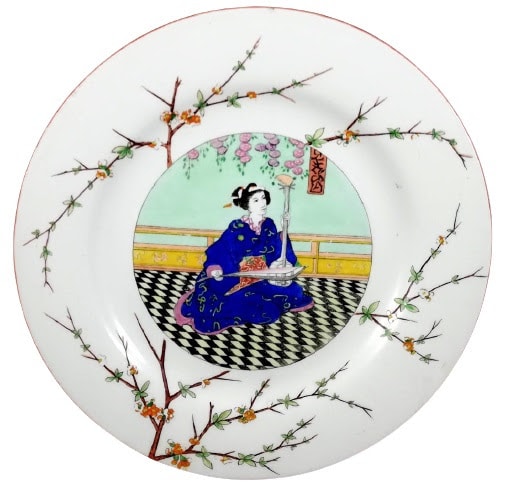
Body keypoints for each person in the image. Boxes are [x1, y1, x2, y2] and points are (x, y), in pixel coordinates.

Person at [174, 183, 314, 334]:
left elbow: (275, 249)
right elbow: (221, 249)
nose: (262, 203)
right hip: (237, 279)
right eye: (256, 200)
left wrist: (282, 236)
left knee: (295, 292)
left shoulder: (269, 224)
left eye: (263, 198)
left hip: (262, 277)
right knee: (264, 310)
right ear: (247, 204)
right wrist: (215, 269)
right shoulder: (237, 227)